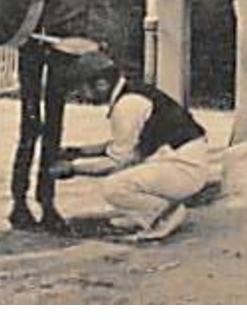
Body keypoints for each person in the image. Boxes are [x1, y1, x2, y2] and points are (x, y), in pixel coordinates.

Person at [47, 52, 216, 241]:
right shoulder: (131, 93)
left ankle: (165, 214)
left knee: (114, 186)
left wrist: (73, 169)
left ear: (101, 84)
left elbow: (118, 161)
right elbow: (127, 146)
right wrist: (80, 151)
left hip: (184, 169)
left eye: (81, 88)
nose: (79, 95)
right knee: (127, 174)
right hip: (183, 161)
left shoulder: (127, 105)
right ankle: (147, 214)